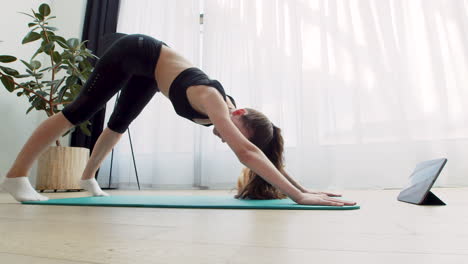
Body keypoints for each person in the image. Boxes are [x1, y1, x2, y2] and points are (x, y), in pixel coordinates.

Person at [0, 33, 355, 206]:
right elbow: (246, 151)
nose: (224, 137)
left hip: (152, 75)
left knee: (118, 126)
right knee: (79, 113)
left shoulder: (228, 113)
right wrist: (298, 197)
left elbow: (258, 151)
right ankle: (15, 177)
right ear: (239, 114)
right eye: (233, 132)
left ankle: (87, 178)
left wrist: (305, 188)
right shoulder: (213, 100)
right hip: (136, 52)